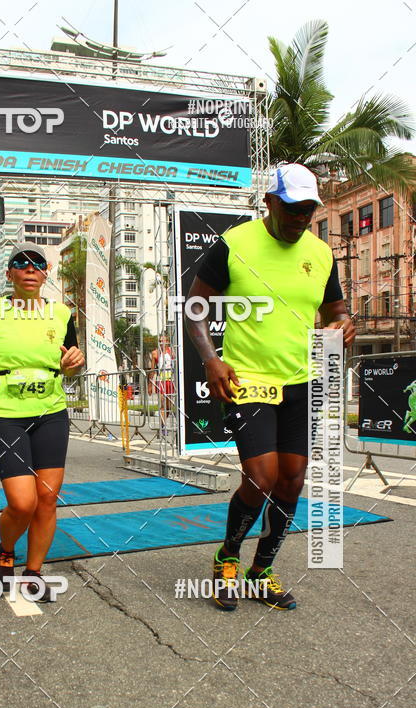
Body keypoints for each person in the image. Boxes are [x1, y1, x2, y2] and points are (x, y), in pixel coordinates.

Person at [185, 163, 355, 611]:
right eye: (294, 209)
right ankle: (227, 559)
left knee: (292, 481)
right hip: (249, 380)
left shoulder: (320, 253)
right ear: (271, 203)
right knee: (260, 478)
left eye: (309, 211)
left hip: (301, 380)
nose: (302, 218)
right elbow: (196, 308)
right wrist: (211, 360)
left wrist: (342, 323)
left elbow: (334, 308)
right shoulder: (235, 245)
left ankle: (262, 571)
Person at [0, 242, 84, 601]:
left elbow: (72, 362)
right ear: (10, 273)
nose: (30, 269)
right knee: (22, 503)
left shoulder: (62, 314)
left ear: (46, 273)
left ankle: (33, 573)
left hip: (51, 412)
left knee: (46, 500)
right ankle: (5, 550)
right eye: (22, 263)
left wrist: (74, 364)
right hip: (6, 415)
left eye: (38, 264)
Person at [150, 333, 175, 435]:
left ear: (167, 341)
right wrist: (150, 385)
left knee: (168, 406)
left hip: (170, 381)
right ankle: (163, 426)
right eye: (160, 341)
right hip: (161, 381)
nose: (161, 343)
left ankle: (162, 423)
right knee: (162, 405)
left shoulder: (172, 352)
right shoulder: (155, 353)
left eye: (163, 341)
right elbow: (152, 370)